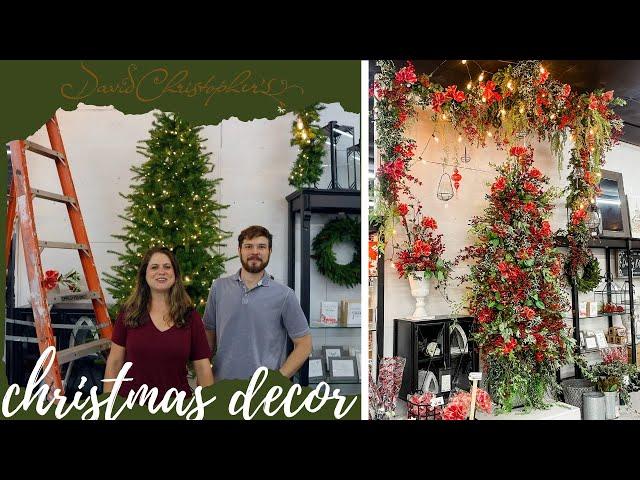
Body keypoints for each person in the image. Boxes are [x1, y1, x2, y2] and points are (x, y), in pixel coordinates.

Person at [203, 225, 312, 381]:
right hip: (221, 387)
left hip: (265, 394)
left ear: (269, 251)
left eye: (261, 246)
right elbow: (208, 336)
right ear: (239, 250)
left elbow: (305, 344)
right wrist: (204, 377)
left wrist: (278, 379)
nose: (255, 252)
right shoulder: (219, 287)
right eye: (248, 246)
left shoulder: (284, 294)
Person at [104, 247, 214, 397]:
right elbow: (115, 362)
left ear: (175, 274)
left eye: (167, 267)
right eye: (154, 267)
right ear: (145, 275)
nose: (161, 271)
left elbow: (203, 367)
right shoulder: (129, 313)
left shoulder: (190, 316)